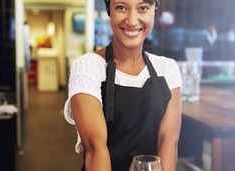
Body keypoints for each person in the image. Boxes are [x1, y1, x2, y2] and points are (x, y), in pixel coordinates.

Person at [64, 0, 182, 170]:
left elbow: (169, 141)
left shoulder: (167, 68)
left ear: (154, 11)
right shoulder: (89, 66)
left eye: (143, 8)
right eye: (121, 7)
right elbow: (95, 149)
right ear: (109, 10)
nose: (132, 20)